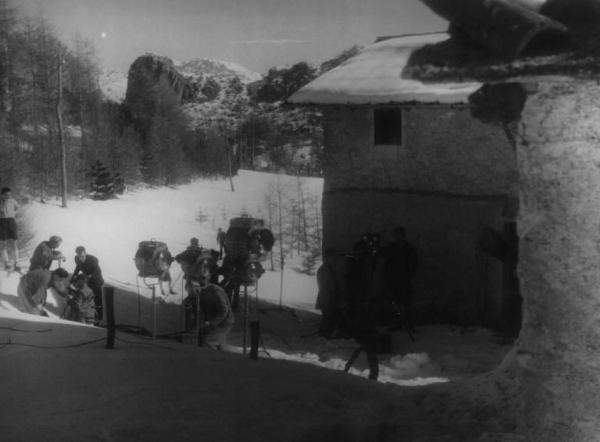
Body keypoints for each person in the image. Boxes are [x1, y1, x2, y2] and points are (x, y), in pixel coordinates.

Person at [183, 265, 234, 350]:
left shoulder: (214, 291)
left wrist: (211, 322)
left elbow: (223, 311)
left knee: (208, 341)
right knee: (201, 339)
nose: (189, 294)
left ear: (197, 286)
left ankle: (216, 354)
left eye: (191, 290)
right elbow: (194, 313)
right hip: (210, 322)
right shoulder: (195, 296)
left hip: (223, 322)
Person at [383, 227, 418, 332]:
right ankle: (397, 323)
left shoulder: (408, 248)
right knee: (396, 303)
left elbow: (415, 262)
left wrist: (411, 274)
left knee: (407, 303)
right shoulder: (391, 248)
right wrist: (387, 277)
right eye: (396, 235)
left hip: (405, 279)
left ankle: (409, 324)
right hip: (394, 280)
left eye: (400, 235)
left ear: (403, 236)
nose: (398, 237)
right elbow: (387, 264)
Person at [72, 246, 104, 323]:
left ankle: (99, 318)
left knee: (97, 300)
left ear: (85, 253)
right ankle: (86, 316)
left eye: (82, 256)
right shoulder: (77, 259)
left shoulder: (93, 260)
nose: (81, 258)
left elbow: (98, 272)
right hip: (87, 281)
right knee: (86, 298)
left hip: (96, 281)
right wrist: (73, 278)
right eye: (79, 256)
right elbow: (78, 268)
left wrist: (89, 276)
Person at [315, 248, 342, 337]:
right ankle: (324, 334)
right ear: (327, 258)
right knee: (327, 316)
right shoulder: (324, 270)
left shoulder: (328, 269)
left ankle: (326, 333)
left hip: (329, 296)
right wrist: (333, 293)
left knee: (329, 316)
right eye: (332, 258)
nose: (334, 260)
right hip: (326, 297)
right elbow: (327, 285)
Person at [0, 187, 20, 271]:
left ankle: (16, 262)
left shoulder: (13, 200)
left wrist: (13, 214)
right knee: (3, 243)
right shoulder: (1, 202)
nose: (8, 196)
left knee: (14, 242)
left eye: (9, 194)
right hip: (2, 222)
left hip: (11, 221)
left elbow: (18, 208)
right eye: (6, 195)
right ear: (2, 195)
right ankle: (6, 263)